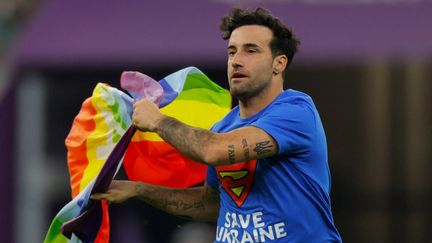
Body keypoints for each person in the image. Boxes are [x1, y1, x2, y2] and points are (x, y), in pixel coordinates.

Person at [92, 7, 342, 242]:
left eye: (251, 50)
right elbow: (212, 203)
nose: (236, 60)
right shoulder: (223, 126)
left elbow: (213, 151)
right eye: (232, 52)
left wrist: (157, 120)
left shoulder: (296, 112)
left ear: (279, 63)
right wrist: (138, 190)